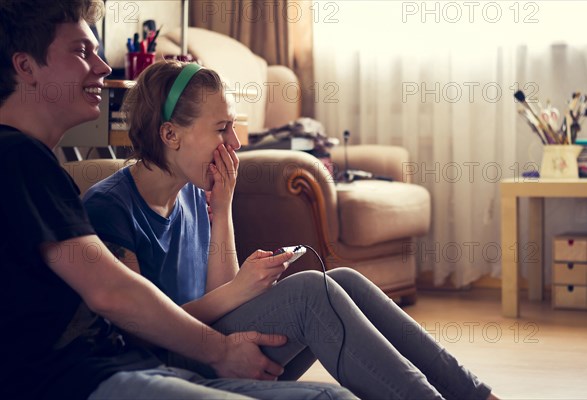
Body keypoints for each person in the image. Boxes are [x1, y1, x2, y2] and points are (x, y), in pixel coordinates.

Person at [82, 58, 501, 400]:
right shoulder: (110, 207)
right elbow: (138, 326)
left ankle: (476, 395)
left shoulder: (192, 192)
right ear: (170, 134)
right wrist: (240, 289)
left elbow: (224, 302)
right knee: (308, 294)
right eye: (221, 129)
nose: (236, 142)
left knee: (343, 281)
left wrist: (223, 209)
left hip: (210, 343)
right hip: (162, 366)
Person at [0, 1, 358, 399]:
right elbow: (115, 295)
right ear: (25, 66)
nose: (103, 67)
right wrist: (221, 349)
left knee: (333, 313)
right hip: (97, 377)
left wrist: (222, 213)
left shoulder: (36, 166)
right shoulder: (20, 160)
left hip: (128, 367)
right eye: (83, 51)